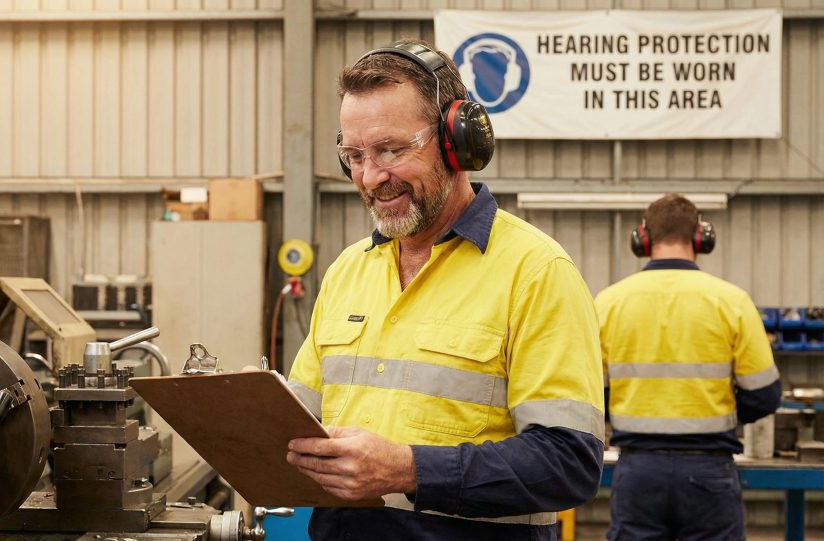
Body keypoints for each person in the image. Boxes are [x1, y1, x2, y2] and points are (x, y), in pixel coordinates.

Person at [283, 39, 605, 541]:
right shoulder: (349, 269)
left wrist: (409, 469)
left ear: (457, 139)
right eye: (355, 156)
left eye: (391, 150)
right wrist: (246, 410)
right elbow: (300, 420)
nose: (372, 177)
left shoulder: (536, 270)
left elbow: (568, 462)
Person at [595, 194, 781, 541]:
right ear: (701, 238)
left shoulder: (608, 303)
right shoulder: (732, 301)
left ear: (642, 240)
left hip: (638, 470)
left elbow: (589, 392)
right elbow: (765, 395)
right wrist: (715, 413)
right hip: (709, 468)